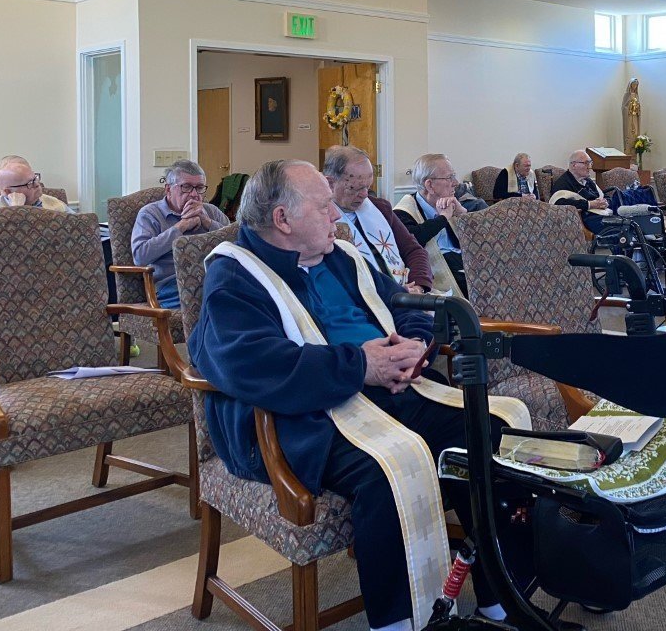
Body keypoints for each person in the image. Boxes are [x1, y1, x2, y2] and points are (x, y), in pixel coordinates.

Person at [189, 159, 530, 631]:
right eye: (325, 205)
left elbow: (403, 304)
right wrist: (362, 365)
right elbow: (249, 363)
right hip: (301, 418)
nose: (337, 215)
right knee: (388, 470)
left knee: (492, 429)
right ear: (283, 220)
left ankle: (503, 599)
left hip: (385, 391)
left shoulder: (340, 256)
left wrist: (413, 347)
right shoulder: (236, 275)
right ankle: (402, 623)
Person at [324, 145, 431, 293]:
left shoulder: (380, 208)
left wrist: (418, 287)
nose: (364, 195)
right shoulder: (320, 219)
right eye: (355, 188)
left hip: (407, 293)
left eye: (367, 187)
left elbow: (413, 250)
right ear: (330, 183)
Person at [131, 159, 229, 309]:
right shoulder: (150, 214)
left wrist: (207, 222)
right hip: (171, 285)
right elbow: (140, 256)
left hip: (213, 278)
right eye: (187, 187)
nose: (194, 195)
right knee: (217, 299)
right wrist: (180, 227)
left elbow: (235, 245)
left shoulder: (211, 211)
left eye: (200, 187)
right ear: (168, 189)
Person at [394, 154, 469, 296]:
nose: (456, 182)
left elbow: (481, 241)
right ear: (429, 185)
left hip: (462, 262)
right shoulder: (403, 212)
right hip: (439, 273)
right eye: (449, 177)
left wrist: (462, 214)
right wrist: (443, 218)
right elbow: (414, 239)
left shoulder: (451, 203)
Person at [548, 150, 610, 234]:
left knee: (626, 224)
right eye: (586, 163)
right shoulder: (563, 183)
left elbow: (602, 195)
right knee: (617, 231)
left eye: (590, 163)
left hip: (601, 213)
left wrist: (605, 202)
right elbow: (558, 204)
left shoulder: (588, 181)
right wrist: (589, 204)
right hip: (584, 219)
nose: (590, 167)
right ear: (574, 165)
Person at [0, 157, 69, 212]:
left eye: (35, 178)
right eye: (29, 183)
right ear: (8, 191)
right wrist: (16, 211)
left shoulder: (54, 203)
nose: (37, 184)